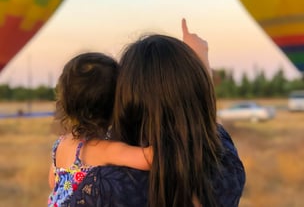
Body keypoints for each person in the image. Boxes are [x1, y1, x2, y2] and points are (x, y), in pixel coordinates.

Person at [61, 19, 246, 207]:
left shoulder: (103, 187)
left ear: (127, 102)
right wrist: (199, 64)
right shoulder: (226, 167)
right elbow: (205, 123)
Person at [48, 52, 152, 207]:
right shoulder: (105, 149)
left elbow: (53, 182)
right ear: (118, 102)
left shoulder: (61, 144)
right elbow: (149, 158)